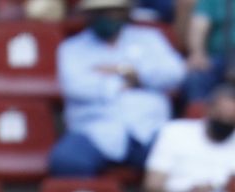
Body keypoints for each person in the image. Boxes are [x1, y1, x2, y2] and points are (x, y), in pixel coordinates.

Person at [50, 0, 187, 175]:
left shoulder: (150, 38)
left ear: (124, 13)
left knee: (179, 161)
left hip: (148, 128)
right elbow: (76, 87)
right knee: (66, 161)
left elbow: (175, 73)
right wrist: (126, 80)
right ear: (88, 15)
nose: (105, 17)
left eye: (111, 11)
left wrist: (130, 72)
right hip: (95, 129)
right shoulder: (71, 48)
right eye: (99, 12)